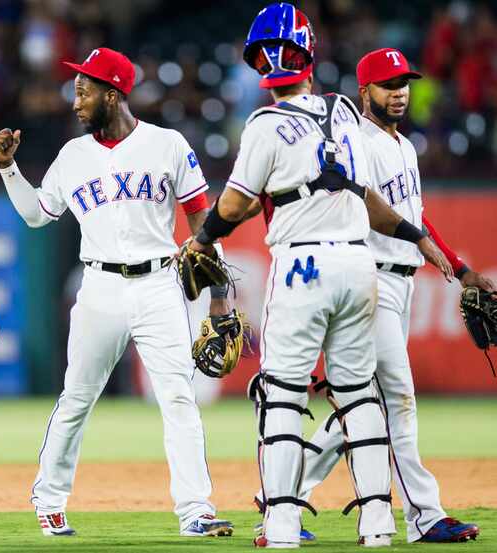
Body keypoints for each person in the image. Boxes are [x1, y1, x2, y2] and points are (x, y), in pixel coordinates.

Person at [186, 3, 453, 548]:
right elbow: (366, 198)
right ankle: (377, 524)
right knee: (360, 396)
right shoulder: (349, 117)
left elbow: (235, 204)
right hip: (360, 266)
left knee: (283, 394)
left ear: (261, 66)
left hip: (303, 265)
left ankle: (281, 523)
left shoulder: (264, 124)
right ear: (311, 56)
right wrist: (416, 235)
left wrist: (201, 237)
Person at [0, 47, 234, 538]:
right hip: (98, 286)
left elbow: (202, 226)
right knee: (77, 397)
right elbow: (39, 214)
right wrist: (8, 168)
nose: (75, 99)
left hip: (160, 284)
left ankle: (195, 510)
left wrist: (220, 296)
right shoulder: (72, 155)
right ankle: (49, 499)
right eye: (75, 90)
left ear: (113, 93)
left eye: (84, 91)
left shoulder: (167, 144)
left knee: (178, 398)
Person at [290, 47, 490, 544]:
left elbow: (415, 216)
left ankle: (281, 497)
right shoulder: (357, 141)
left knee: (363, 403)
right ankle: (425, 515)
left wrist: (460, 267)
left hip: (400, 281)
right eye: (387, 85)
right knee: (397, 396)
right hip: (370, 278)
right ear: (365, 91)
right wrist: (422, 243)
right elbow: (373, 211)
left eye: (404, 83)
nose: (399, 93)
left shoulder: (403, 145)